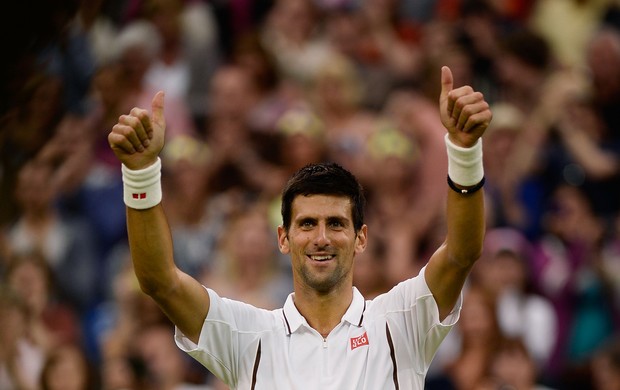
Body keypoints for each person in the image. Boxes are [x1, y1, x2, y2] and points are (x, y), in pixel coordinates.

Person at [107, 65, 491, 388]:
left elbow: (461, 253)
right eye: (307, 224)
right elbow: (159, 280)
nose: (321, 238)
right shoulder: (249, 336)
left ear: (361, 239)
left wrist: (463, 151)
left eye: (336, 224)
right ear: (283, 238)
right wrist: (140, 174)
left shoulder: (400, 321)